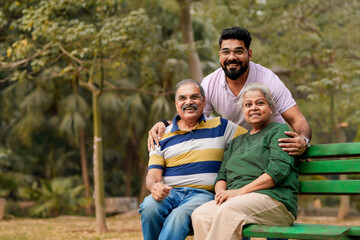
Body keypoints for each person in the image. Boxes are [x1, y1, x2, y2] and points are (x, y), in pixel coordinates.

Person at [147, 26, 311, 156]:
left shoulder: (268, 80)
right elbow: (193, 120)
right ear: (220, 56)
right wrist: (164, 123)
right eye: (226, 52)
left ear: (249, 54)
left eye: (238, 51)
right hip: (236, 151)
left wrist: (303, 141)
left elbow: (298, 121)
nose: (231, 57)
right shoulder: (210, 83)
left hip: (269, 149)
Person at [139, 79, 248, 240]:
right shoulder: (161, 135)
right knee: (149, 207)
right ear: (176, 104)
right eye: (182, 98)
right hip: (171, 192)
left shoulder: (221, 126)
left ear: (203, 101)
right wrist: (154, 187)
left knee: (178, 216)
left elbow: (253, 138)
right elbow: (152, 176)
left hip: (203, 195)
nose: (188, 102)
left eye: (194, 97)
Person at [191, 83, 300, 240]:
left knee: (228, 211)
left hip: (275, 201)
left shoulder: (278, 132)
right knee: (201, 214)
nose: (253, 108)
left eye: (260, 103)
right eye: (248, 105)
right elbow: (222, 176)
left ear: (270, 108)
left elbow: (277, 172)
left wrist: (240, 192)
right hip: (238, 201)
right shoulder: (237, 141)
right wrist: (221, 192)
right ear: (243, 111)